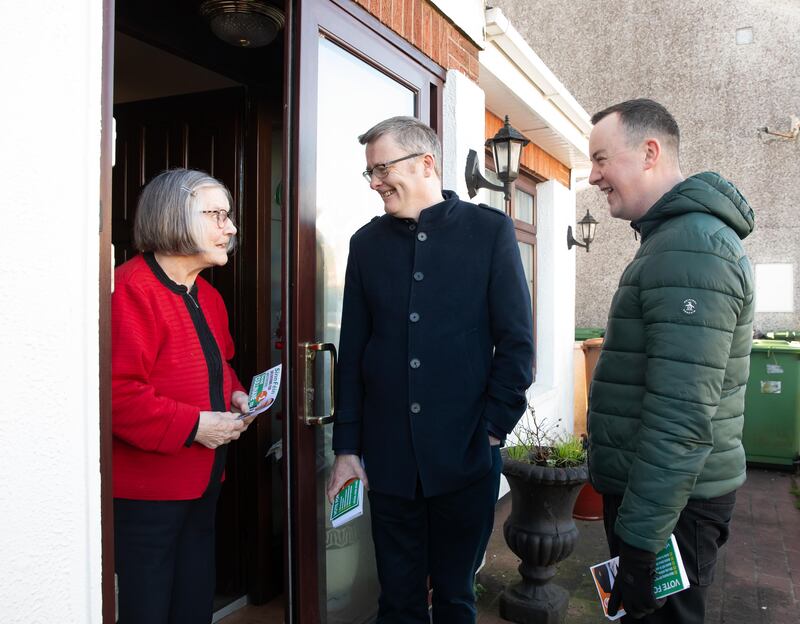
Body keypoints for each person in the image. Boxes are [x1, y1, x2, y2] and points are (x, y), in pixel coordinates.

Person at [326, 116, 534, 622]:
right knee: (397, 600)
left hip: (466, 457)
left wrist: (490, 430)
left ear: (425, 163)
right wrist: (348, 449)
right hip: (389, 458)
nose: (375, 183)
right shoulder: (365, 244)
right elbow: (352, 352)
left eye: (381, 169)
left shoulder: (489, 231)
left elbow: (516, 343)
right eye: (369, 173)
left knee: (456, 596)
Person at [586, 99, 754, 622]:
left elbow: (680, 415)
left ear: (650, 152)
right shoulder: (674, 241)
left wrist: (639, 543)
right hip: (662, 500)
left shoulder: (691, 248)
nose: (592, 176)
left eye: (601, 159)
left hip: (669, 508)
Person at [112, 168, 255, 624]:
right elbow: (118, 396)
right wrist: (196, 426)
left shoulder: (208, 296)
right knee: (148, 609)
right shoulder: (129, 290)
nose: (230, 228)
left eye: (228, 217)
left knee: (193, 603)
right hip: (146, 496)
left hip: (204, 483)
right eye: (216, 215)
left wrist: (233, 395)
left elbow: (221, 365)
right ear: (171, 215)